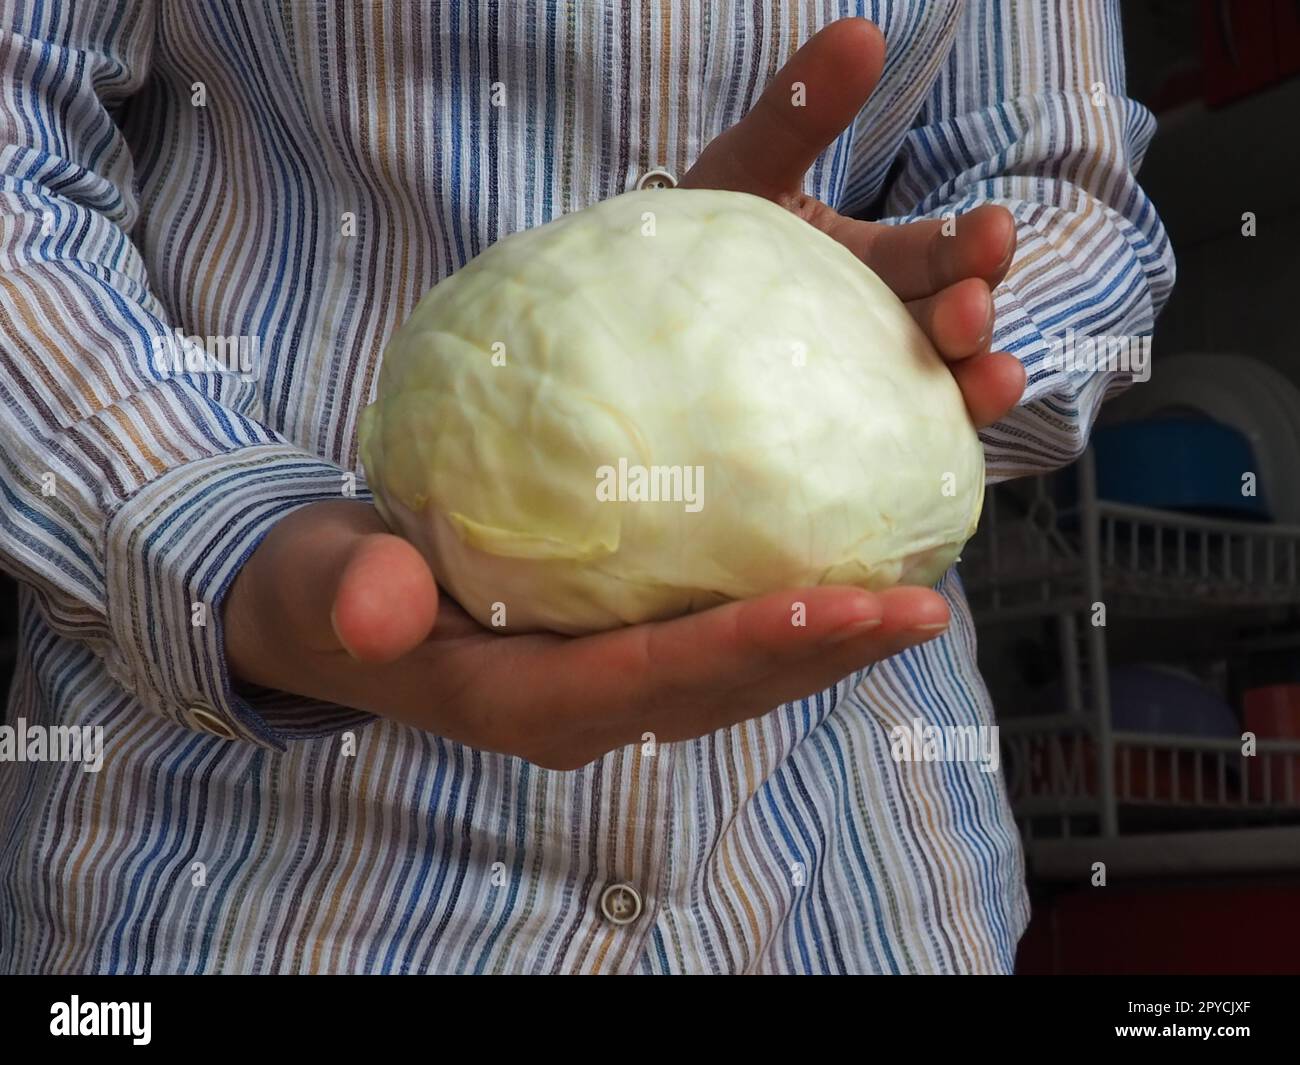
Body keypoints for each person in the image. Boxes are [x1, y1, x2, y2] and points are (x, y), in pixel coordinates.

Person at [0, 2, 1173, 974]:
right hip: (253, 877)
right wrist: (227, 542)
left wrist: (929, 340)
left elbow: (1068, 190)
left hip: (850, 872)